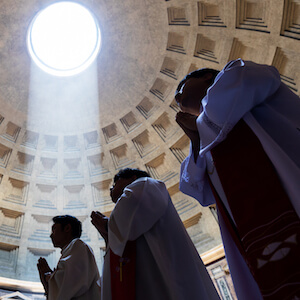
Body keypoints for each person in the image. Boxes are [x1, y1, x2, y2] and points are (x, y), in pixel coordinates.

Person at [175, 58, 300, 300]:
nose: (177, 98)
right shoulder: (204, 142)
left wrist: (200, 128)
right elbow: (198, 190)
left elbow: (252, 81)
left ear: (206, 78)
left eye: (181, 88)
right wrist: (196, 140)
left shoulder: (236, 73)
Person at [91, 168, 220, 300]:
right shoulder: (121, 214)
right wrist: (108, 236)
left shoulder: (146, 185)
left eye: (115, 184)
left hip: (163, 275)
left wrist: (108, 225)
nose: (111, 189)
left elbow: (135, 202)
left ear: (132, 178)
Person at [37, 215, 101, 300]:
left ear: (67, 228)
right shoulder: (71, 250)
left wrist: (48, 277)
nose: (51, 235)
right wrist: (50, 280)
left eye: (54, 229)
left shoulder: (78, 245)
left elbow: (71, 282)